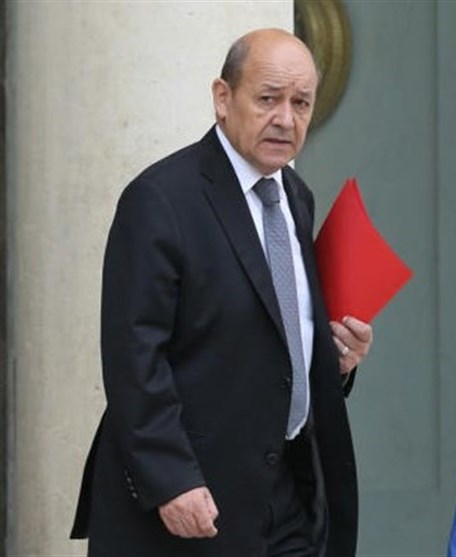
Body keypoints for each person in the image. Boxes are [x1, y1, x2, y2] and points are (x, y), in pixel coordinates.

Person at [70, 28, 373, 557]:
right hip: (192, 504)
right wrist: (171, 480)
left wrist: (334, 359)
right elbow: (133, 357)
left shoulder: (295, 196)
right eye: (268, 98)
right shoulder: (161, 199)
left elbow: (272, 332)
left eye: (301, 103)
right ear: (222, 98)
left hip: (287, 498)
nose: (285, 119)